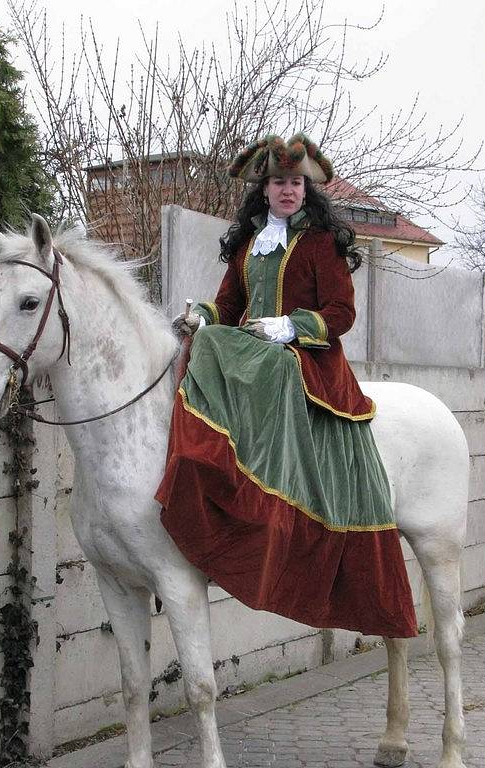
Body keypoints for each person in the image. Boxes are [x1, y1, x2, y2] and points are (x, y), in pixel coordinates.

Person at [156, 133, 417, 638]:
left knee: (264, 363)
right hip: (257, 350)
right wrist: (201, 317)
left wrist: (291, 326)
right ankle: (213, 464)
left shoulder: (321, 243)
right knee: (208, 343)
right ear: (265, 189)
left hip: (306, 361)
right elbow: (228, 307)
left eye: (296, 183)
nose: (288, 190)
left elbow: (341, 313)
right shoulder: (251, 245)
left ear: (307, 189)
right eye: (279, 182)